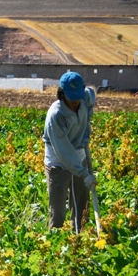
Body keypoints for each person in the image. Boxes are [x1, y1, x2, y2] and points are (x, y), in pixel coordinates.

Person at [43, 71, 96, 232]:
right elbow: (64, 152)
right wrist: (84, 173)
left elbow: (91, 96)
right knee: (58, 211)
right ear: (62, 93)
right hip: (58, 163)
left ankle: (79, 240)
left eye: (78, 97)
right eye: (71, 98)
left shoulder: (84, 97)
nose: (75, 102)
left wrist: (87, 124)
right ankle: (55, 243)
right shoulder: (56, 116)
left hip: (79, 156)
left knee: (82, 206)